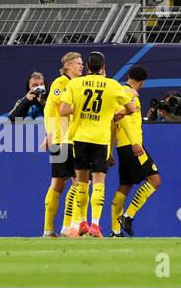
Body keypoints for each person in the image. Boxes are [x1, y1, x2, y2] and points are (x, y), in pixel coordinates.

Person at [59, 51, 136, 238]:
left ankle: (82, 223)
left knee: (81, 182)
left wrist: (78, 109)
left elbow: (62, 110)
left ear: (87, 65)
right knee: (99, 182)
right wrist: (116, 112)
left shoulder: (75, 83)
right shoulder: (112, 85)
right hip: (100, 140)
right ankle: (95, 224)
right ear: (103, 67)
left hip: (80, 138)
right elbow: (131, 109)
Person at [110, 65, 161, 237]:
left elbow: (113, 123)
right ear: (143, 82)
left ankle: (115, 231)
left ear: (129, 75)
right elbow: (120, 117)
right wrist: (134, 143)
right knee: (155, 180)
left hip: (122, 146)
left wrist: (110, 150)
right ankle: (128, 216)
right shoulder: (127, 94)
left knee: (125, 186)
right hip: (133, 146)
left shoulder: (121, 92)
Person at [41, 52, 86, 238]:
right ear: (67, 66)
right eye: (78, 63)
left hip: (62, 138)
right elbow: (62, 109)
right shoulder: (61, 83)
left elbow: (51, 111)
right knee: (79, 182)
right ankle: (71, 228)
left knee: (58, 184)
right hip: (64, 140)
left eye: (82, 63)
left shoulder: (73, 83)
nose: (81, 66)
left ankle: (49, 230)